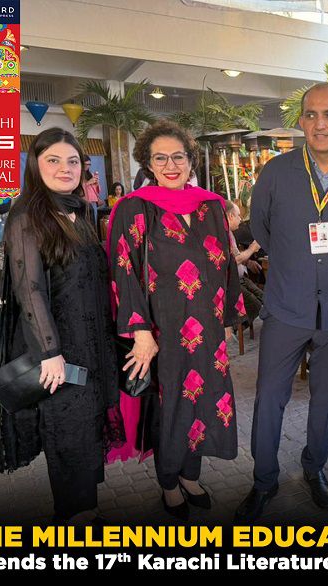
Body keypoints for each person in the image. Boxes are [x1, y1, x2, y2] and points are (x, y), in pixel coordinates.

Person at [236, 83, 328, 523]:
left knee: (326, 400)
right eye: (312, 114)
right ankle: (264, 480)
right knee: (269, 397)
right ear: (301, 121)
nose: (320, 123)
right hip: (286, 306)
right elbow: (261, 229)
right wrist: (295, 262)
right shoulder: (276, 173)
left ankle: (314, 466)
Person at [108, 119, 244, 520]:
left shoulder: (211, 207)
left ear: (190, 160)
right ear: (148, 164)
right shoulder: (135, 207)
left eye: (178, 157)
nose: (171, 165)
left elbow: (227, 266)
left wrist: (227, 320)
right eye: (160, 158)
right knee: (170, 408)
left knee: (203, 399)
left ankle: (191, 475)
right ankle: (169, 481)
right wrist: (139, 331)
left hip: (207, 327)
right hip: (161, 329)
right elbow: (123, 270)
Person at [0, 127, 123, 524]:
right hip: (59, 348)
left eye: (73, 161)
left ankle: (86, 505)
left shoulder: (80, 210)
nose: (65, 168)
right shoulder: (27, 215)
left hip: (91, 341)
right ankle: (74, 513)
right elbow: (28, 289)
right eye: (53, 160)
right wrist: (49, 353)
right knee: (68, 428)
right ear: (35, 165)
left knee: (88, 425)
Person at [224, 199, 264, 325]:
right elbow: (233, 261)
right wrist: (252, 249)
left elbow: (236, 256)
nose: (241, 219)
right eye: (238, 216)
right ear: (230, 216)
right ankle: (236, 326)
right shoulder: (222, 235)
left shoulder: (230, 233)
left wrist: (248, 263)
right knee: (256, 307)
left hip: (241, 278)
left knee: (265, 299)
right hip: (231, 283)